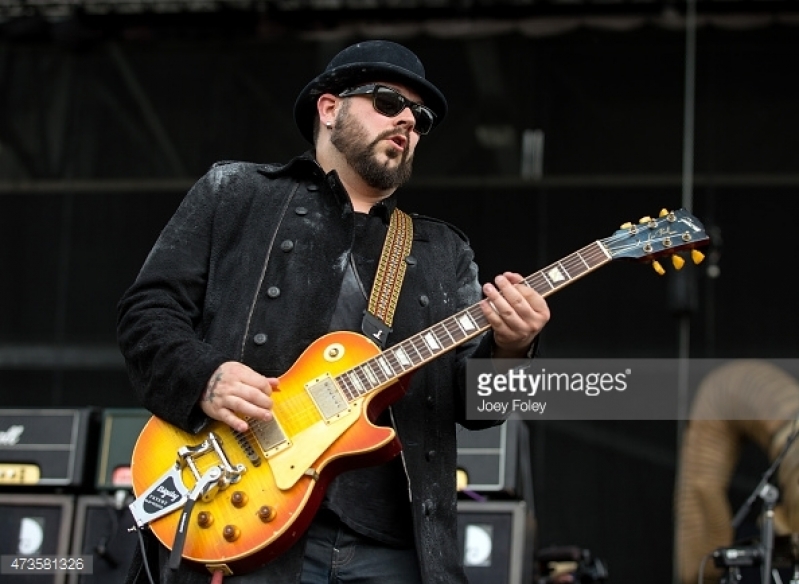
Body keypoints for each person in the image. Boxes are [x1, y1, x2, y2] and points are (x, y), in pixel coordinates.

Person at [117, 39, 550, 584]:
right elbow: (147, 312)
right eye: (389, 103)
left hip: (393, 548)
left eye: (420, 119)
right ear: (330, 107)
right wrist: (206, 377)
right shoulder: (236, 193)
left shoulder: (442, 251)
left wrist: (513, 348)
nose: (407, 124)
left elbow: (477, 408)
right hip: (245, 518)